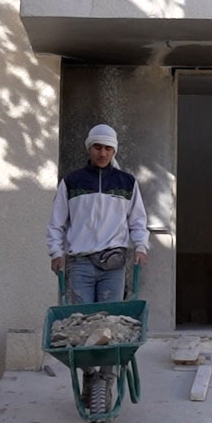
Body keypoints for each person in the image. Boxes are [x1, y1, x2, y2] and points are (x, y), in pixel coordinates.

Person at [47, 124, 149, 304]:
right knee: (81, 319)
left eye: (108, 148)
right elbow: (57, 222)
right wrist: (56, 252)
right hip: (80, 263)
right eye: (97, 147)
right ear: (89, 148)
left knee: (109, 321)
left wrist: (141, 246)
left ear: (113, 151)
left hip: (113, 264)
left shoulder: (127, 182)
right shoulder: (71, 182)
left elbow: (137, 221)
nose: (102, 153)